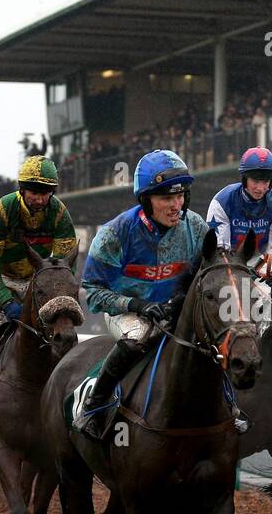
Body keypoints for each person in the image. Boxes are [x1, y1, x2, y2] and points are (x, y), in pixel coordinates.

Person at [71, 149, 214, 439]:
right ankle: (95, 406)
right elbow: (93, 292)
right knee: (138, 337)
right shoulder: (115, 234)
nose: (176, 205)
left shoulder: (196, 227)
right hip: (127, 314)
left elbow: (207, 274)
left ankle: (230, 407)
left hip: (175, 309)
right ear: (146, 200)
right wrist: (137, 304)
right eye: (166, 199)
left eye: (180, 195)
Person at [0, 156, 77, 424]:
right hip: (5, 278)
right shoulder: (3, 210)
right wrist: (5, 300)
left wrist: (53, 290)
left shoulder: (59, 212)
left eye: (45, 192)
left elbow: (64, 264)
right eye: (34, 191)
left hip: (40, 282)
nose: (40, 198)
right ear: (22, 189)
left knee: (62, 333)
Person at [205, 146, 272, 316]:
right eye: (255, 181)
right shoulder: (222, 201)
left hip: (260, 262)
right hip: (227, 264)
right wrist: (241, 272)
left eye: (266, 181)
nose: (260, 188)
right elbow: (219, 251)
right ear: (244, 179)